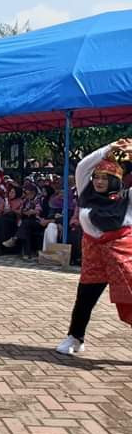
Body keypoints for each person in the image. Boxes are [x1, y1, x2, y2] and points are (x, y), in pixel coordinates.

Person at [56, 139, 132, 355]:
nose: (98, 181)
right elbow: (83, 166)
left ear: (115, 180)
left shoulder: (128, 198)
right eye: (96, 177)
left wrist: (130, 152)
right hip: (93, 253)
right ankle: (75, 337)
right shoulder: (86, 193)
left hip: (122, 252)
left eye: (104, 178)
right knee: (85, 298)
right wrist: (110, 148)